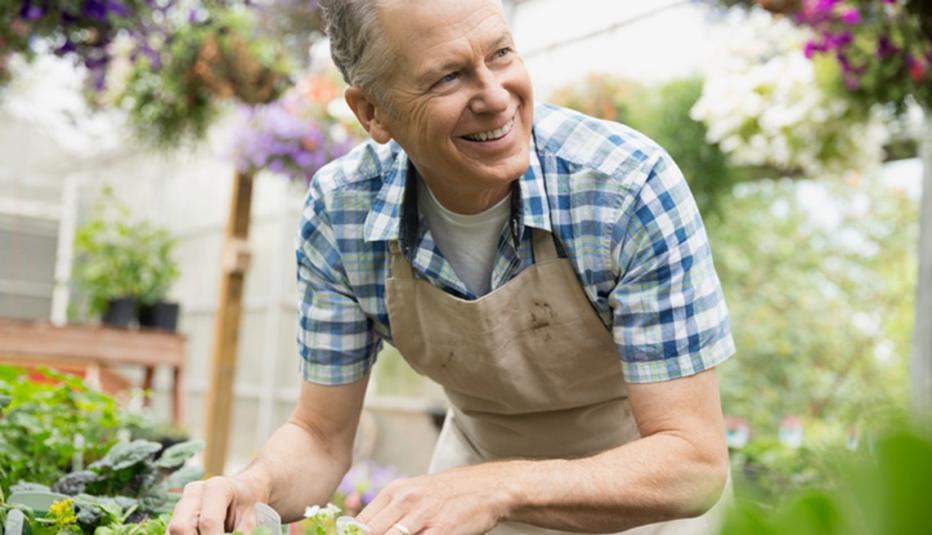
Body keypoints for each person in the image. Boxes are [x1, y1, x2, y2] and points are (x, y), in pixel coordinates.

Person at [168, 0, 736, 533]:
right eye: (448, 76)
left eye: (501, 55)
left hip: (641, 507)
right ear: (372, 111)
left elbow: (692, 461)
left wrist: (502, 486)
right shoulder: (343, 211)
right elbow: (320, 436)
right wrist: (252, 486)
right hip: (474, 490)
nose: (496, 96)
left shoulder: (624, 188)